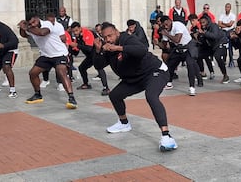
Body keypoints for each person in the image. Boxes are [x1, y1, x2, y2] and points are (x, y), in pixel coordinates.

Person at [93, 22, 178, 152]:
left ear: (116, 31)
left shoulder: (127, 38)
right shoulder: (107, 47)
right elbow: (99, 65)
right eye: (105, 37)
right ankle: (124, 123)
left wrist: (118, 48)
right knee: (115, 95)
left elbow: (142, 50)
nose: (108, 39)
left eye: (110, 35)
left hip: (154, 71)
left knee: (151, 96)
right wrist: (98, 51)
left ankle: (167, 136)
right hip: (134, 78)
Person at [18, 13, 77, 109]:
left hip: (59, 54)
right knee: (33, 73)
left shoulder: (47, 24)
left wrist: (27, 28)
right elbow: (23, 35)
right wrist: (21, 27)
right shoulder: (31, 28)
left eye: (34, 21)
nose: (33, 24)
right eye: (30, 23)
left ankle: (71, 98)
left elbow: (42, 33)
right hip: (46, 55)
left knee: (61, 72)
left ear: (37, 18)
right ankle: (37, 94)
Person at [160, 15, 203, 96]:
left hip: (188, 46)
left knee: (190, 65)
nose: (166, 27)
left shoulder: (178, 25)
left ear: (170, 21)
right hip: (178, 48)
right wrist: (159, 43)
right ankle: (169, 82)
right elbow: (165, 45)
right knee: (170, 64)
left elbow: (177, 39)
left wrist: (167, 34)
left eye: (167, 24)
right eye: (164, 25)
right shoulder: (164, 31)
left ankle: (192, 87)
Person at [40, 12, 68, 91]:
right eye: (49, 21)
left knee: (58, 67)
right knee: (44, 66)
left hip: (56, 50)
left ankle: (60, 83)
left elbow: (63, 37)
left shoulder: (59, 26)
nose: (51, 23)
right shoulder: (43, 26)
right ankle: (45, 80)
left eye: (53, 21)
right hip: (46, 49)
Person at [198, 15, 230, 84]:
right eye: (201, 23)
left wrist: (204, 33)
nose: (202, 24)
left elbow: (214, 36)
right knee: (199, 55)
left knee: (217, 57)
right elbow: (204, 39)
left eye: (204, 22)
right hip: (212, 46)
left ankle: (225, 75)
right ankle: (203, 73)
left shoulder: (213, 26)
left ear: (208, 21)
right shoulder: (203, 29)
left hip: (220, 43)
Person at [69, 21, 95, 90]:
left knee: (99, 68)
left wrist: (77, 45)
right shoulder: (76, 38)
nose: (75, 33)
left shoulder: (87, 33)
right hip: (89, 56)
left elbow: (89, 48)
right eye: (73, 31)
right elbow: (76, 52)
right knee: (81, 68)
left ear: (80, 28)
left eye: (76, 30)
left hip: (96, 55)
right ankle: (86, 84)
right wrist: (69, 50)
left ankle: (106, 88)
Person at [189, 14, 215, 80]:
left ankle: (211, 72)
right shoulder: (192, 28)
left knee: (207, 58)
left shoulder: (200, 25)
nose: (192, 23)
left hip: (206, 44)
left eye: (193, 20)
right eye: (190, 21)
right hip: (199, 45)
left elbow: (204, 33)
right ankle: (202, 72)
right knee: (199, 58)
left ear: (196, 20)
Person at [218, 3, 236, 67]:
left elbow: (230, 24)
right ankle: (224, 60)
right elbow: (219, 24)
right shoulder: (222, 15)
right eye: (226, 7)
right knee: (223, 46)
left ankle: (231, 60)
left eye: (228, 7)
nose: (227, 8)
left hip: (230, 31)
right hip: (223, 31)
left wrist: (223, 23)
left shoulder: (232, 15)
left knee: (230, 46)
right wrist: (226, 24)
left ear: (230, 8)